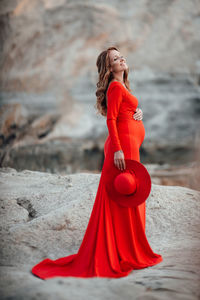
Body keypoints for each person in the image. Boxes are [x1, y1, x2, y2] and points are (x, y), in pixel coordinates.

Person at [31, 46, 163, 280]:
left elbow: (124, 110)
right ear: (109, 68)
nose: (121, 58)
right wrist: (118, 150)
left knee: (130, 197)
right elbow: (111, 119)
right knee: (124, 197)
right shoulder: (113, 86)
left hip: (128, 146)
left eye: (120, 55)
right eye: (115, 59)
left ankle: (128, 249)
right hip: (122, 148)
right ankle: (124, 251)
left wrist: (138, 111)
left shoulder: (122, 86)